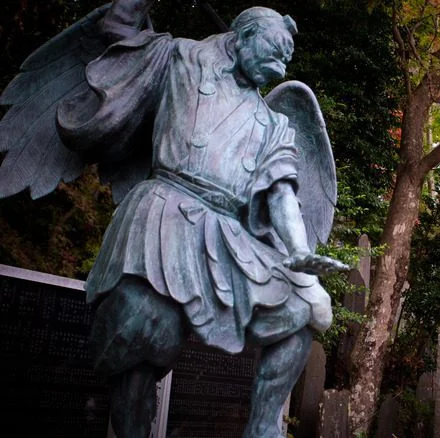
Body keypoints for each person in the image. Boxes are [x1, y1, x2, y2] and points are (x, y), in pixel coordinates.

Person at [53, 3, 346, 437]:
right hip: (164, 210)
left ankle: (263, 429)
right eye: (276, 49)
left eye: (288, 56)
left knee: (303, 310)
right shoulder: (180, 59)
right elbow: (117, 28)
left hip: (227, 232)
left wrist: (299, 253)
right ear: (242, 35)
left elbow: (283, 193)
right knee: (141, 327)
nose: (283, 62)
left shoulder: (274, 123)